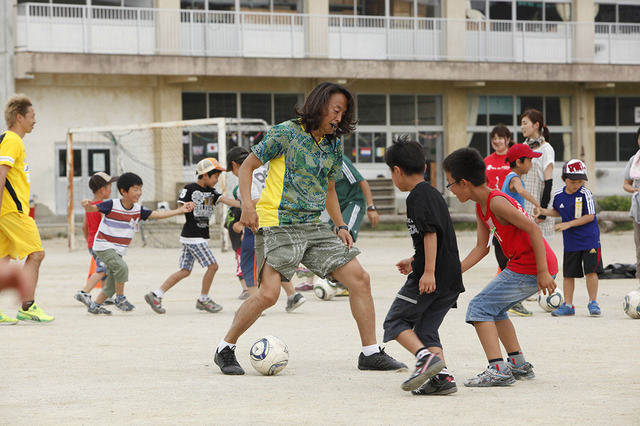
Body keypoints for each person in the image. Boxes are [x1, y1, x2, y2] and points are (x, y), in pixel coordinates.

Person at [214, 82, 406, 375]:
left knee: (360, 279)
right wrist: (248, 206)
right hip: (278, 223)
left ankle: (370, 352)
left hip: (314, 226)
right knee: (269, 295)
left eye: (343, 113)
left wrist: (340, 224)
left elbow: (330, 189)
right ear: (319, 105)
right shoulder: (286, 132)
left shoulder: (333, 144)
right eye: (336, 110)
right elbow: (248, 166)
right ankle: (225, 348)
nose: (339, 118)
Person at [442, 147, 557, 387]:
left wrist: (543, 272)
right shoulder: (480, 204)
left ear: (463, 183)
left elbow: (534, 229)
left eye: (449, 184)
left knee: (479, 307)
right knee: (495, 308)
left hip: (532, 267)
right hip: (522, 265)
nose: (450, 190)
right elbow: (481, 248)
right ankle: (518, 364)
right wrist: (453, 273)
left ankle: (497, 369)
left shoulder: (496, 202)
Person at [382, 136, 465, 395]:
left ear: (397, 170)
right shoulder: (432, 193)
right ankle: (442, 379)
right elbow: (435, 237)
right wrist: (414, 260)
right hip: (449, 278)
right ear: (425, 167)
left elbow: (430, 235)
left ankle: (424, 359)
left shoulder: (417, 197)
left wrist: (427, 271)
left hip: (433, 276)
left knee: (395, 322)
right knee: (426, 329)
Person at [81, 172, 194, 315]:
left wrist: (180, 210)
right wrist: (87, 205)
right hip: (104, 246)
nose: (139, 193)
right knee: (122, 267)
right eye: (135, 189)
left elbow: (158, 214)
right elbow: (92, 209)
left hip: (117, 250)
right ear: (123, 191)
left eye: (140, 189)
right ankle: (120, 299)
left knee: (111, 285)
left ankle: (95, 306)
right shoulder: (112, 204)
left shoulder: (137, 210)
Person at [143, 158, 239, 315]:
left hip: (198, 236)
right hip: (193, 236)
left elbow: (226, 200)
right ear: (205, 176)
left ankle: (156, 295)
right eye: (215, 177)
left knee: (185, 270)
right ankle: (203, 299)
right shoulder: (189, 189)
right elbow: (180, 207)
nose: (216, 180)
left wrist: (246, 204)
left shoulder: (212, 192)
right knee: (213, 266)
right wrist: (186, 207)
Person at [226, 146, 306, 313]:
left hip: (259, 222)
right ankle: (293, 295)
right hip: (278, 220)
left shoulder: (246, 174)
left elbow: (256, 201)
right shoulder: (262, 170)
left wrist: (244, 211)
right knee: (272, 261)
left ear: (234, 165)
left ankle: (256, 305)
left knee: (248, 263)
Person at [0, 94, 53, 324]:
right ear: (19, 117)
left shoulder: (8, 140)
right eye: (32, 116)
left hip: (7, 211)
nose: (35, 120)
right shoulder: (13, 140)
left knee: (3, 260)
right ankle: (28, 306)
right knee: (37, 253)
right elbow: (1, 173)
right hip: (12, 211)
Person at [296, 154, 380, 293]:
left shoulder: (339, 160)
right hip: (337, 206)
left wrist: (371, 207)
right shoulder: (312, 163)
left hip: (353, 202)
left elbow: (363, 182)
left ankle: (346, 280)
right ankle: (313, 278)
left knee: (343, 236)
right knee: (326, 238)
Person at [535, 159, 603, 316]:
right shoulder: (558, 195)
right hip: (571, 243)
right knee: (569, 274)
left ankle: (593, 302)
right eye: (573, 182)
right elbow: (558, 211)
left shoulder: (586, 194)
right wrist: (543, 212)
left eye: (580, 181)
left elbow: (590, 216)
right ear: (563, 179)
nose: (576, 185)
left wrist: (569, 224)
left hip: (590, 240)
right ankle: (568, 305)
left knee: (591, 272)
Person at [484, 126, 533, 317]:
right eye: (493, 138)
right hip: (493, 214)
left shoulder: (513, 162)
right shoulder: (486, 161)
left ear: (508, 139)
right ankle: (509, 298)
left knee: (515, 256)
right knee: (502, 255)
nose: (497, 141)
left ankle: (513, 296)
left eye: (501, 138)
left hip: (512, 214)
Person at [74, 172, 118, 308]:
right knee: (103, 269)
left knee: (106, 269)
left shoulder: (89, 207)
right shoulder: (102, 207)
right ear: (102, 190)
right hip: (101, 244)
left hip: (92, 243)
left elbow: (83, 227)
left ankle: (106, 296)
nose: (111, 190)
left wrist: (90, 243)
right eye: (109, 187)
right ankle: (84, 292)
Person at [520, 109, 555, 241]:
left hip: (537, 207)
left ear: (536, 125)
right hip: (523, 205)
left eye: (525, 123)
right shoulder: (523, 147)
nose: (522, 127)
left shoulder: (546, 149)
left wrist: (543, 211)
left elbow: (548, 182)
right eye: (521, 123)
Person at [223, 188, 249, 300]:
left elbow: (228, 228)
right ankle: (246, 289)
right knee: (243, 268)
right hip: (241, 244)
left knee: (241, 268)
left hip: (239, 245)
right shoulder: (240, 210)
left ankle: (246, 289)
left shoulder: (231, 211)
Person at [502, 144, 542, 214]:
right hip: (512, 220)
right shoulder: (514, 178)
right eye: (529, 160)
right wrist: (537, 204)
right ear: (518, 162)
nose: (531, 164)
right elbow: (521, 191)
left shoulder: (510, 177)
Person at [623, 127, 640, 290]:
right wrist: (635, 190)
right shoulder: (634, 159)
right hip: (638, 209)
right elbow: (626, 184)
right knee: (639, 248)